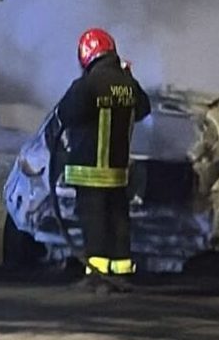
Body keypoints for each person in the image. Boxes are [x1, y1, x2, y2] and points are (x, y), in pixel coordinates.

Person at [56, 28, 151, 288]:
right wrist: (128, 77)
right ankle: (121, 271)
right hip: (118, 172)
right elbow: (144, 109)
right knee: (118, 220)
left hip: (89, 170)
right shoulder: (129, 84)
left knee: (94, 222)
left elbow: (65, 114)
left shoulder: (87, 85)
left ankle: (97, 276)